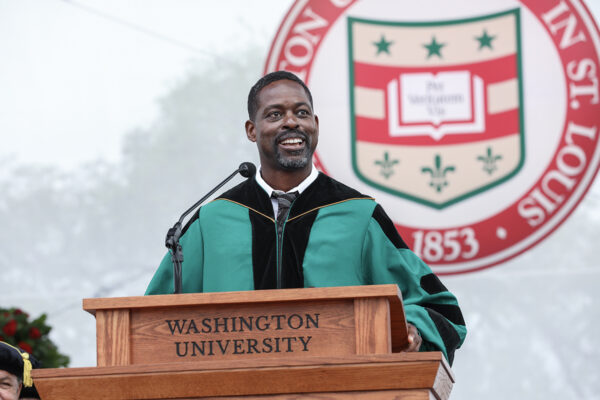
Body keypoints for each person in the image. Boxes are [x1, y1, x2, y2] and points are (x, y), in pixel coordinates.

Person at [146, 71, 466, 364]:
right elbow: (149, 324)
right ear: (251, 130)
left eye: (301, 113)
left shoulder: (358, 215)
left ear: (315, 123)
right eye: (275, 114)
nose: (291, 122)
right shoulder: (211, 223)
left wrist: (412, 328)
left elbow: (438, 308)